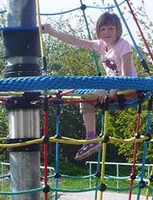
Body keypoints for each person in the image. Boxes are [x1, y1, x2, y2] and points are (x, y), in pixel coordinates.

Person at [42, 11, 137, 160]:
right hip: (111, 85)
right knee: (85, 98)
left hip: (127, 86)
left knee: (88, 95)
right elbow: (75, 41)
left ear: (118, 29)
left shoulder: (123, 45)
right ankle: (91, 139)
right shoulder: (101, 45)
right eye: (102, 29)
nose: (106, 32)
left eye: (110, 29)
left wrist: (113, 91)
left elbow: (125, 76)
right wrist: (52, 31)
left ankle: (91, 139)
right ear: (98, 31)